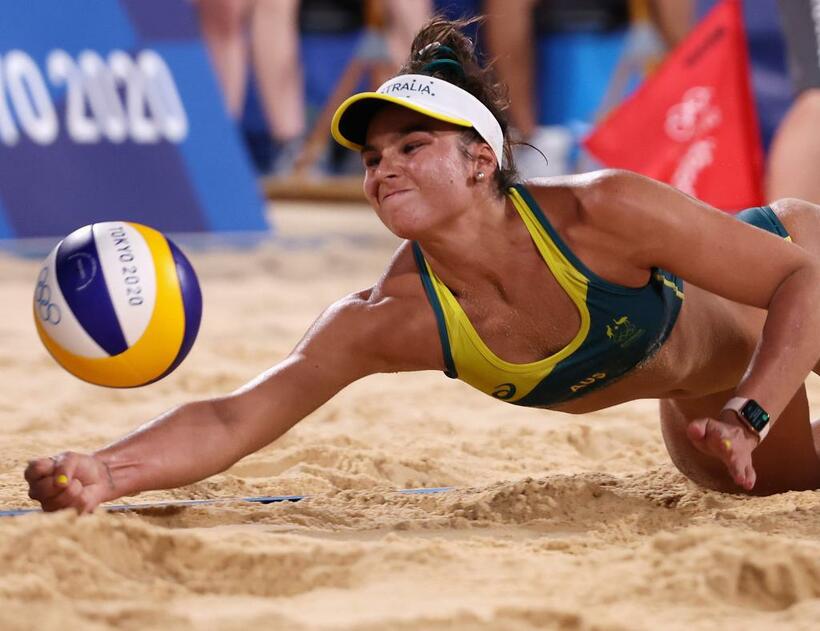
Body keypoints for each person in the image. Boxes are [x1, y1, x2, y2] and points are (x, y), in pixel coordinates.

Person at [25, 16, 820, 513]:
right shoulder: (392, 317)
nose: (383, 169)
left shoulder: (600, 211)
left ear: (481, 162)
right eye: (372, 158)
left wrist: (754, 409)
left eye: (412, 146)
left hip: (790, 288)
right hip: (707, 404)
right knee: (794, 497)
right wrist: (105, 468)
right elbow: (236, 416)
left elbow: (798, 279)